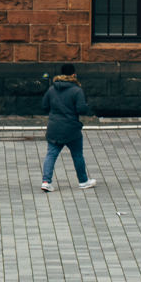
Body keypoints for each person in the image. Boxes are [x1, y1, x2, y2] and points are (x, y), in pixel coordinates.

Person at [39, 64, 96, 192]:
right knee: (77, 155)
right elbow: (81, 109)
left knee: (51, 155)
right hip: (71, 129)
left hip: (54, 128)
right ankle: (83, 181)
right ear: (73, 75)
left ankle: (46, 181)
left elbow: (44, 106)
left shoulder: (52, 89)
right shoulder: (77, 90)